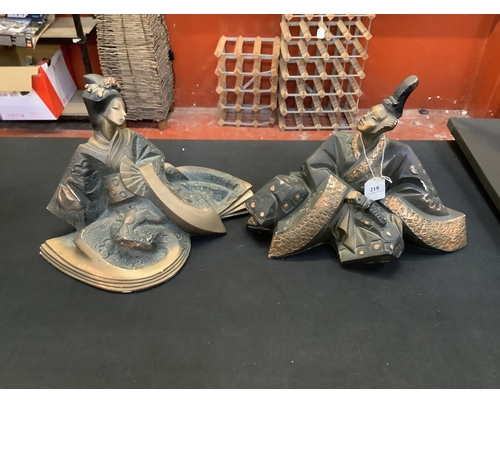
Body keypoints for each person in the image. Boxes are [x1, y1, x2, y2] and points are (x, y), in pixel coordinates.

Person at [42, 74, 252, 291]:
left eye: (124, 108)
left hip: (146, 194)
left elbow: (153, 157)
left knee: (181, 205)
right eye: (117, 109)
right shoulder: (86, 151)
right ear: (101, 112)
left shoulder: (130, 137)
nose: (124, 114)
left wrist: (147, 173)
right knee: (111, 236)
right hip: (115, 208)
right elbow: (78, 188)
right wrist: (78, 201)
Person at [245, 75, 466, 264]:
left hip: (363, 207)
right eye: (368, 113)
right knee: (285, 187)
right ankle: (267, 223)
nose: (365, 118)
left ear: (385, 127)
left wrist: (384, 200)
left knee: (383, 232)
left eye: (373, 119)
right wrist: (347, 192)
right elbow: (313, 167)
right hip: (326, 195)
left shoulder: (400, 153)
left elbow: (418, 190)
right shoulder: (339, 140)